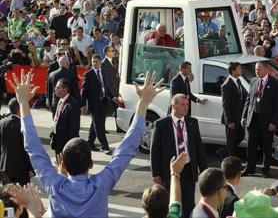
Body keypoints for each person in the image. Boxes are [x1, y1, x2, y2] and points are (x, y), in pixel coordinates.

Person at [7, 69, 164, 218]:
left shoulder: (55, 185)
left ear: (63, 165)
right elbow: (127, 148)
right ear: (91, 164)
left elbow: (33, 148)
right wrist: (143, 103)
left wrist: (23, 103)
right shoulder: (100, 185)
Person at [151, 93, 208, 218]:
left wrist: (205, 171)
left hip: (188, 168)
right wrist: (156, 174)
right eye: (182, 105)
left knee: (188, 203)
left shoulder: (192, 122)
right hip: (169, 171)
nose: (186, 107)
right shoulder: (161, 124)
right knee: (172, 203)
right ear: (173, 105)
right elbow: (155, 151)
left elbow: (199, 148)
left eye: (187, 104)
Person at [241, 61, 278, 178]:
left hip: (267, 120)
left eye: (259, 69)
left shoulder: (275, 84)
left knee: (266, 146)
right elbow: (249, 100)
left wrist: (274, 122)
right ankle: (250, 168)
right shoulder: (254, 81)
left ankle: (266, 169)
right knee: (251, 145)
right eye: (255, 69)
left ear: (266, 70)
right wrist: (244, 116)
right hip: (253, 118)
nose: (256, 71)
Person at [81, 54, 118, 155]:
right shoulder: (88, 74)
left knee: (96, 124)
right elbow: (83, 91)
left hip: (103, 102)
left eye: (96, 62)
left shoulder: (104, 72)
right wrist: (83, 105)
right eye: (93, 62)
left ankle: (90, 143)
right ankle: (105, 146)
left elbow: (106, 87)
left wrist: (112, 96)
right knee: (99, 125)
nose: (94, 64)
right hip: (93, 104)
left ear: (100, 62)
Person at [0, 98, 34, 186]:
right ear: (19, 109)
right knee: (21, 197)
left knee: (8, 195)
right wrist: (31, 168)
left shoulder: (2, 122)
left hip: (4, 166)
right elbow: (27, 148)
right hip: (20, 169)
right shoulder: (23, 125)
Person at [142, 152, 187, 218]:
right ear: (168, 206)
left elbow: (176, 202)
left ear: (144, 208)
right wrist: (174, 172)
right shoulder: (174, 216)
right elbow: (176, 200)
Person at [221, 62, 247, 157]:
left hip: (239, 117)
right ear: (233, 71)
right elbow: (225, 105)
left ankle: (223, 152)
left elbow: (244, 95)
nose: (241, 70)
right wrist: (230, 121)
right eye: (239, 69)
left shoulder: (238, 81)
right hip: (232, 119)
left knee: (241, 136)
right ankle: (231, 161)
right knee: (231, 142)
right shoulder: (227, 85)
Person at [50, 78, 80, 159]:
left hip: (65, 144)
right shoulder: (59, 101)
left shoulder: (73, 105)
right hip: (57, 141)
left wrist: (69, 146)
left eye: (58, 87)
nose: (55, 89)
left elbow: (74, 129)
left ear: (65, 90)